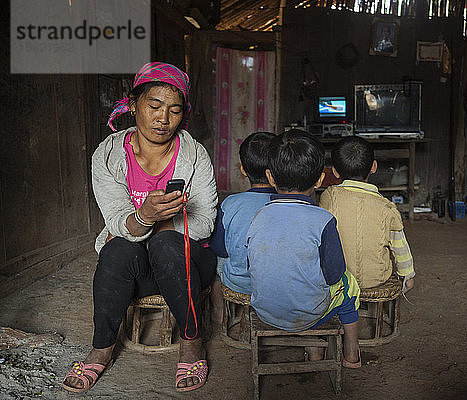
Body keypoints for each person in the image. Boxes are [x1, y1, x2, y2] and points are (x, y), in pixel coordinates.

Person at [62, 62, 217, 393]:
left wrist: (164, 227)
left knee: (165, 245)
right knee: (117, 247)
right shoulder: (107, 155)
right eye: (154, 106)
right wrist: (145, 216)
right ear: (133, 105)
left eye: (174, 110)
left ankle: (191, 342)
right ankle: (102, 347)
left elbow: (205, 222)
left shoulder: (194, 154)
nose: (163, 119)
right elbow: (116, 220)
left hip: (186, 264)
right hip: (137, 270)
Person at [246, 130, 361, 367]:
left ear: (270, 177)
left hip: (266, 312)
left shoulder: (258, 216)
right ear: (320, 179)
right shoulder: (323, 220)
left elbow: (252, 267)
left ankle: (313, 347)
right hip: (310, 315)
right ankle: (351, 351)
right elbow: (334, 274)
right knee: (349, 286)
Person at [319, 136, 415, 291]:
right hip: (377, 279)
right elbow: (400, 246)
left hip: (338, 278)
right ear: (374, 166)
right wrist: (407, 275)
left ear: (335, 172)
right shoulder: (387, 207)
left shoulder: (329, 197)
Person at [209, 131, 276, 323]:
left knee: (218, 263)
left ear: (243, 170)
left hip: (239, 282)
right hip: (276, 284)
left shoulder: (230, 203)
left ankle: (220, 313)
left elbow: (220, 248)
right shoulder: (286, 203)